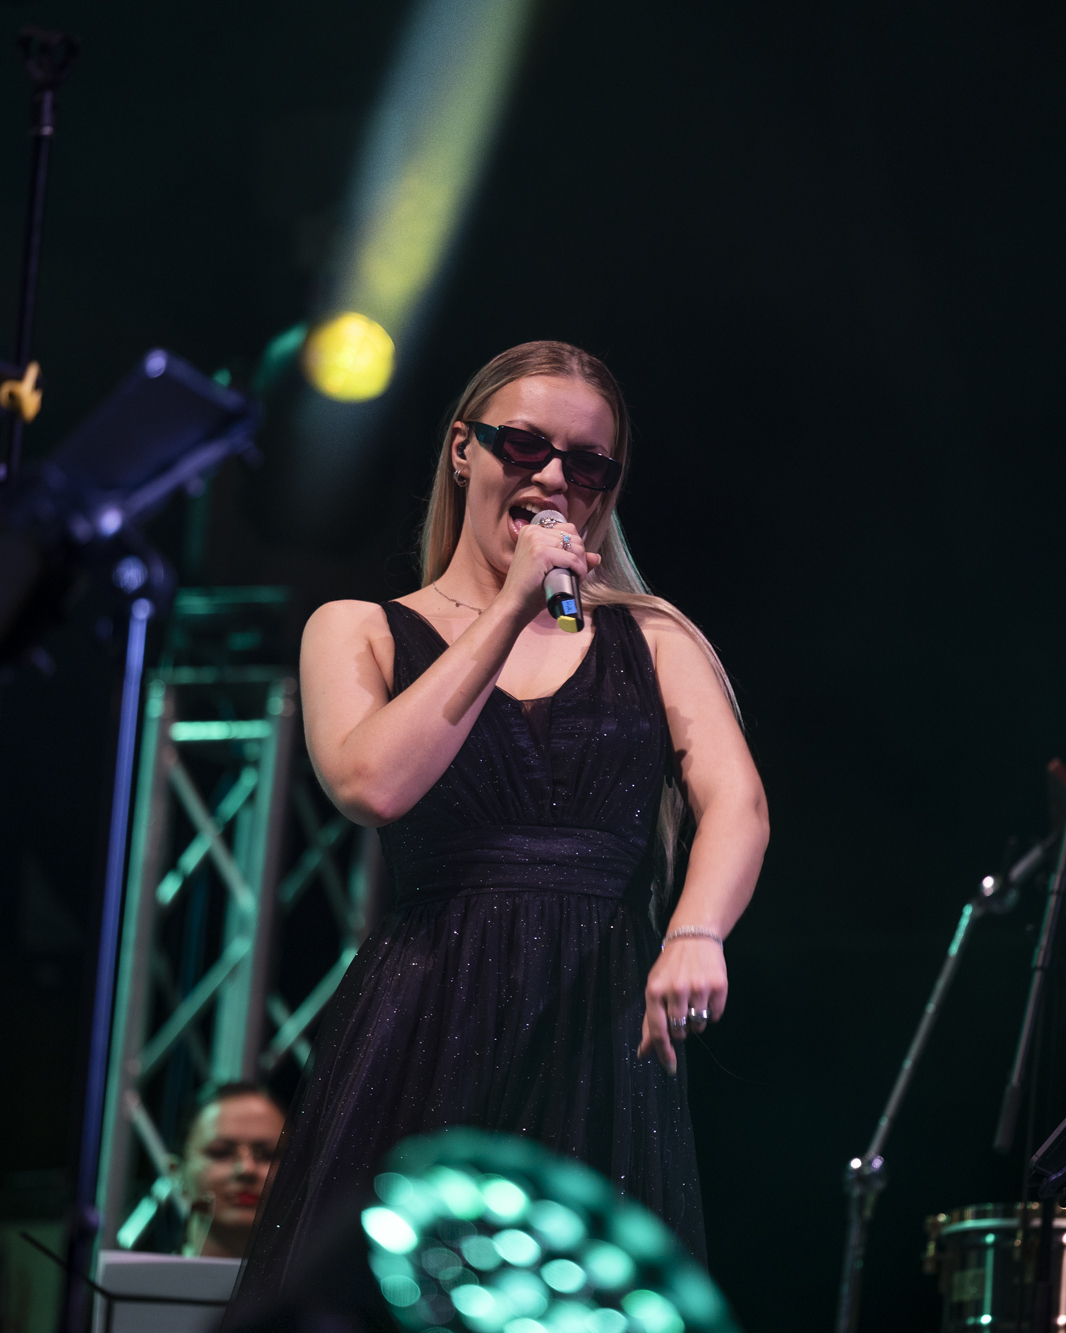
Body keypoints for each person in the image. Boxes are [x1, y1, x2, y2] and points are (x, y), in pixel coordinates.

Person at [227, 340, 768, 1317]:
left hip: (599, 1020)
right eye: (524, 444)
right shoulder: (357, 628)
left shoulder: (653, 636)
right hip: (430, 1007)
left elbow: (737, 799)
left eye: (587, 463)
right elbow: (371, 783)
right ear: (463, 449)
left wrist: (696, 930)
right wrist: (511, 605)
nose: (554, 476)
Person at [178, 1082, 286, 1258]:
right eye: (221, 1153)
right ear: (178, 1172)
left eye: (268, 1155)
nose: (246, 1169)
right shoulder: (138, 1276)